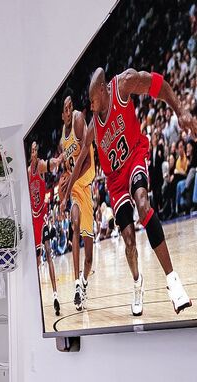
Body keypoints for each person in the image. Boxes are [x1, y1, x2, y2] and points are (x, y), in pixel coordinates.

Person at [65, 67, 194, 315]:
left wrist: (181, 111)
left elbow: (159, 84)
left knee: (143, 204)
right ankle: (138, 283)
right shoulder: (93, 126)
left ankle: (173, 281)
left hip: (134, 157)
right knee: (128, 240)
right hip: (114, 181)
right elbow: (81, 158)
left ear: (103, 90)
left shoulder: (123, 85)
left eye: (92, 101)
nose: (91, 107)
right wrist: (67, 190)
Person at [59, 94, 97, 310]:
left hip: (86, 184)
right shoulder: (62, 141)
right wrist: (64, 181)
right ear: (61, 113)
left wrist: (71, 177)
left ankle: (84, 283)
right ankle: (75, 285)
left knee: (89, 257)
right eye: (66, 107)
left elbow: (87, 159)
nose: (70, 109)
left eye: (71, 105)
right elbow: (67, 166)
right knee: (74, 223)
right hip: (75, 188)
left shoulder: (79, 121)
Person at [28, 141, 61, 316]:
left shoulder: (40, 165)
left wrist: (60, 158)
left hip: (43, 215)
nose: (34, 152)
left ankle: (55, 296)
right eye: (32, 150)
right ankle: (37, 298)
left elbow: (51, 164)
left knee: (48, 254)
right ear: (29, 153)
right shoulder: (27, 171)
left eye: (36, 149)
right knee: (36, 260)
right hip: (33, 219)